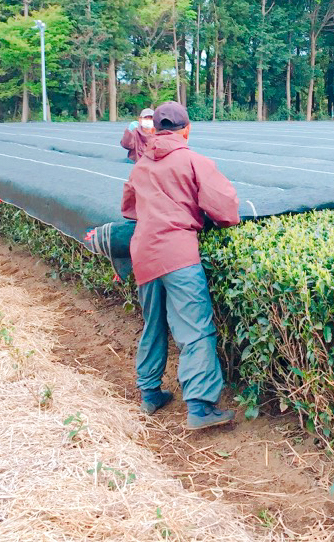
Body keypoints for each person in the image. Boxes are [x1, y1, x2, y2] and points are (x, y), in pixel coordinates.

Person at [121, 101, 240, 430]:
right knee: (195, 328)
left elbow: (128, 209)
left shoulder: (140, 166)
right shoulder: (193, 160)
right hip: (178, 254)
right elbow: (225, 208)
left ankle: (150, 392)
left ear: (155, 129)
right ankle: (201, 406)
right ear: (186, 129)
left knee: (153, 323)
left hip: (143, 253)